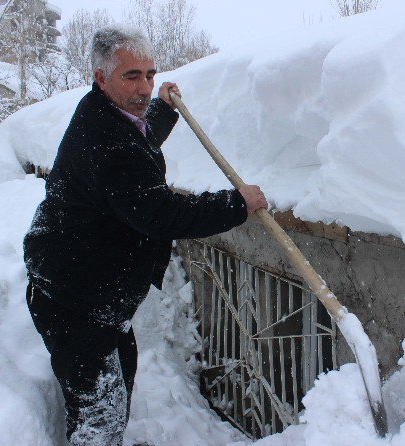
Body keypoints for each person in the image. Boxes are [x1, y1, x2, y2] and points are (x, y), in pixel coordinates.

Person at [23, 26, 267, 445]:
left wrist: (164, 112)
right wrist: (236, 204)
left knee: (119, 381)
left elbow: (139, 137)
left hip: (95, 289)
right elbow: (161, 213)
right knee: (98, 412)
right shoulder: (105, 141)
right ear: (101, 77)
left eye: (150, 74)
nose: (145, 87)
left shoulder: (111, 116)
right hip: (75, 297)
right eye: (131, 76)